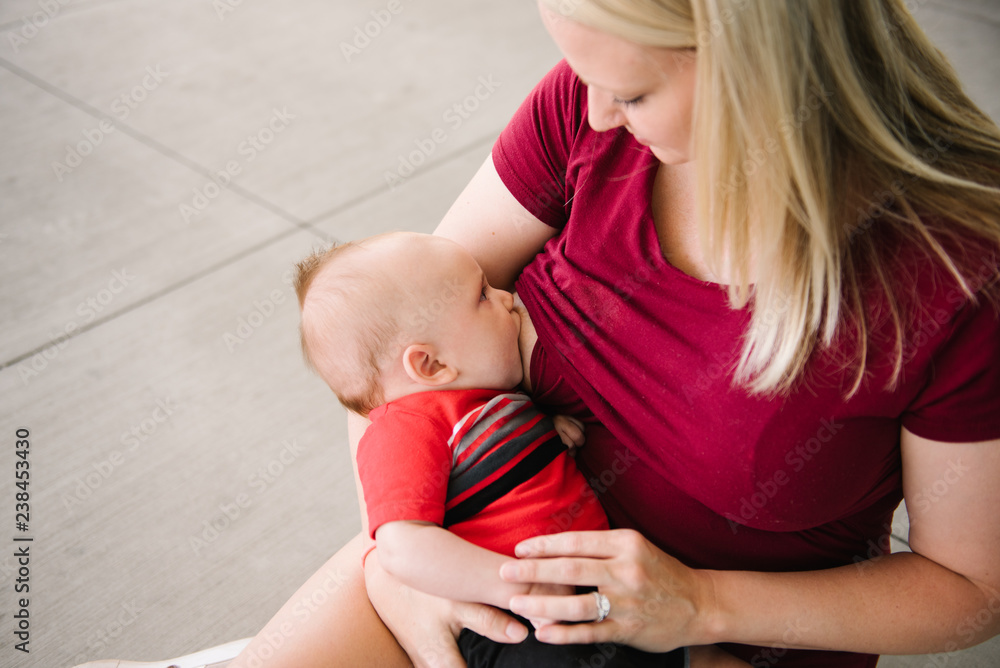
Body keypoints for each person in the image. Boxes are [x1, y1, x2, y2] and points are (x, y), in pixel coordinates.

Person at [231, 1, 1000, 666]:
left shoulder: (954, 278)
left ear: (755, 64)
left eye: (631, 92)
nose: (596, 111)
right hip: (474, 568)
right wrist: (407, 564)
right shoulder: (581, 106)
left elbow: (972, 591)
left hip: (710, 644)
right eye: (581, 70)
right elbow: (389, 351)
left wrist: (699, 604)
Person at [292, 231, 686, 667]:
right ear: (431, 364)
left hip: (580, 593)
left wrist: (542, 431)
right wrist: (514, 586)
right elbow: (402, 547)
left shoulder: (486, 401)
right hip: (509, 618)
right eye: (482, 295)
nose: (507, 298)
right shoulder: (405, 430)